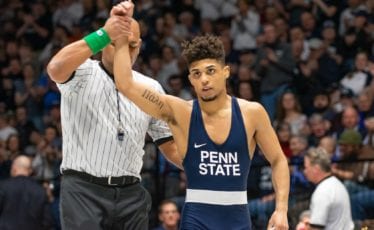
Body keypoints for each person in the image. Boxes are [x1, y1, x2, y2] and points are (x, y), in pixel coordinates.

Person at [113, 3, 290, 229]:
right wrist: (119, 37)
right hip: (197, 219)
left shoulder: (251, 113)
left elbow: (278, 160)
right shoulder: (181, 111)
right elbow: (125, 84)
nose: (204, 79)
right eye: (197, 74)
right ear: (191, 80)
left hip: (237, 219)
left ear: (225, 73)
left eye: (210, 71)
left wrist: (281, 209)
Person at [46, 2, 180, 230]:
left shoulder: (151, 87)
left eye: (132, 45)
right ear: (104, 44)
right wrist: (106, 33)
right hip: (83, 191)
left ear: (139, 47)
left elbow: (169, 146)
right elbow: (55, 68)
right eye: (117, 44)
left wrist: (202, 165)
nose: (124, 51)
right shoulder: (83, 72)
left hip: (131, 193)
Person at [303, 147, 354, 230]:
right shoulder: (337, 184)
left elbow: (316, 228)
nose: (304, 171)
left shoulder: (322, 191)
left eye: (306, 167)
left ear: (316, 169)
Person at [0, 155, 53, 230]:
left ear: (14, 168)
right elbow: (47, 222)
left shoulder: (3, 187)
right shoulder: (40, 191)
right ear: (29, 171)